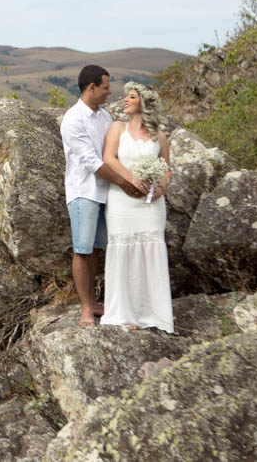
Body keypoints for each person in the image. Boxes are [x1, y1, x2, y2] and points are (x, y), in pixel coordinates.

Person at [60, 65, 143, 327]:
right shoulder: (73, 119)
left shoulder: (105, 117)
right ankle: (85, 308)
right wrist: (126, 183)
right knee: (82, 250)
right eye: (106, 87)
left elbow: (114, 153)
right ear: (91, 87)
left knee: (97, 249)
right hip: (84, 192)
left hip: (107, 193)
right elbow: (92, 163)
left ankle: (95, 303)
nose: (110, 92)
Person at [99, 81, 175, 333]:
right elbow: (108, 158)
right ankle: (124, 313)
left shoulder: (159, 136)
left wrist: (160, 188)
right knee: (123, 249)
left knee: (151, 250)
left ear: (144, 101)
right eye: (125, 97)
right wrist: (132, 179)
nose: (125, 100)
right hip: (122, 201)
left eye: (131, 97)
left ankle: (154, 313)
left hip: (151, 204)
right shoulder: (117, 128)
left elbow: (166, 167)